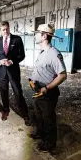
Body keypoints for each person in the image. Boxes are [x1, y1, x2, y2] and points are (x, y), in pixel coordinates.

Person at [29, 23, 67, 153]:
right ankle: (40, 133)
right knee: (38, 115)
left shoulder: (53, 54)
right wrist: (33, 80)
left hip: (47, 93)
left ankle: (49, 144)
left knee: (48, 119)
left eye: (37, 33)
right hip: (38, 89)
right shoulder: (42, 52)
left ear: (44, 36)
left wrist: (47, 87)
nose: (35, 35)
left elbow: (62, 75)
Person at [0, 21, 29, 124]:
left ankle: (25, 113)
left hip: (13, 71)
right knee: (3, 92)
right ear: (0, 30)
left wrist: (12, 61)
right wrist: (0, 61)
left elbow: (22, 55)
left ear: (9, 28)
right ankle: (5, 110)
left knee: (18, 92)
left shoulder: (17, 39)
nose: (6, 31)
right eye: (3, 29)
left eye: (7, 29)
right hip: (1, 72)